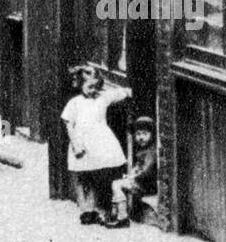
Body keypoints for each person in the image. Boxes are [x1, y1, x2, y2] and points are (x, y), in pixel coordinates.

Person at [61, 63, 131, 227]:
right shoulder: (75, 103)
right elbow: (68, 124)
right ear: (80, 85)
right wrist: (75, 144)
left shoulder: (102, 98)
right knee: (82, 178)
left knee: (94, 175)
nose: (93, 90)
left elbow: (117, 94)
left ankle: (97, 207)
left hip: (100, 143)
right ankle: (85, 210)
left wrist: (128, 92)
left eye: (96, 87)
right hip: (82, 144)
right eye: (89, 87)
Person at [111, 115, 158, 225]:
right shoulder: (143, 150)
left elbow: (147, 170)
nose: (141, 137)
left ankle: (121, 216)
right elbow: (138, 167)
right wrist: (131, 174)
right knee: (117, 184)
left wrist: (133, 177)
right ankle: (115, 213)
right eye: (138, 134)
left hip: (147, 184)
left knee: (116, 185)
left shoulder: (151, 152)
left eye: (145, 134)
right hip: (141, 182)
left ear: (152, 135)